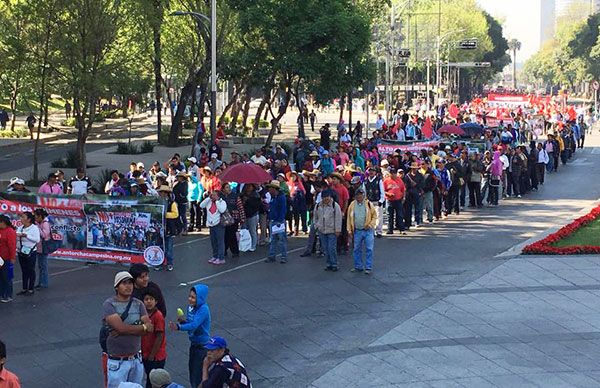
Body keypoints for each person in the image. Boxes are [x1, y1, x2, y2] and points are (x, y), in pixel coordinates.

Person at [103, 272, 153, 388]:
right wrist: (141, 326)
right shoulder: (109, 304)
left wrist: (123, 329)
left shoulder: (138, 304)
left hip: (136, 360)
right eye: (124, 283)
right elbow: (121, 327)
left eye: (130, 283)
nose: (128, 286)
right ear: (116, 287)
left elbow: (149, 328)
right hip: (117, 362)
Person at [168, 285, 211, 388]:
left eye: (193, 297)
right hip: (194, 343)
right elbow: (191, 323)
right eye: (189, 296)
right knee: (192, 370)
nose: (190, 299)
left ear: (200, 298)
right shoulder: (191, 308)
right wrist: (183, 322)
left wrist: (178, 327)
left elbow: (194, 325)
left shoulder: (203, 309)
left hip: (202, 346)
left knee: (198, 373)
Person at [347, 188, 377, 274]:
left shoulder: (368, 204)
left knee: (369, 249)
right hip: (358, 230)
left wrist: (371, 225)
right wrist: (349, 230)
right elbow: (349, 218)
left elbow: (374, 216)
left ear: (363, 195)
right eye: (358, 195)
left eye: (361, 195)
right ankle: (358, 266)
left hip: (368, 230)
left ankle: (368, 267)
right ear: (355, 196)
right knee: (356, 249)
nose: (359, 197)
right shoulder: (352, 205)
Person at [141, 288, 167, 388]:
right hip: (146, 354)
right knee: (149, 378)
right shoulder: (144, 315)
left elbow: (159, 336)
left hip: (156, 356)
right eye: (146, 299)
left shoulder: (158, 316)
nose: (149, 302)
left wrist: (152, 355)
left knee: (154, 381)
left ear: (156, 301)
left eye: (151, 299)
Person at [313, 190, 342, 272]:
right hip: (322, 230)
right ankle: (328, 264)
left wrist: (338, 230)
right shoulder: (318, 206)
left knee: (331, 248)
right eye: (324, 197)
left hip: (332, 231)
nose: (326, 199)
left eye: (327, 197)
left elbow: (338, 218)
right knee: (326, 248)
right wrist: (316, 226)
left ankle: (334, 264)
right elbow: (315, 217)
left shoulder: (335, 205)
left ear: (330, 197)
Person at [16, 212, 40, 296]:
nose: (21, 219)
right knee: (24, 270)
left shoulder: (34, 228)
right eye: (21, 217)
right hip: (20, 251)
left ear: (29, 219)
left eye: (23, 217)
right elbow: (17, 237)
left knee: (31, 270)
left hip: (31, 252)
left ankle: (31, 288)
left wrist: (26, 235)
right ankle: (24, 288)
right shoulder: (20, 228)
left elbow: (37, 240)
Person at [200, 191, 227, 265]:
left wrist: (217, 201)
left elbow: (222, 210)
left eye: (214, 195)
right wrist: (208, 198)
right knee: (213, 242)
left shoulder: (222, 202)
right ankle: (215, 256)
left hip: (219, 224)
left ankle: (221, 258)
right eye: (212, 195)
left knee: (220, 242)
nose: (213, 196)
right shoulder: (209, 201)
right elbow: (201, 205)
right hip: (211, 224)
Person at [265, 180, 287, 264]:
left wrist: (280, 220)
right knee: (272, 240)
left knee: (281, 240)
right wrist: (269, 218)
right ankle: (272, 256)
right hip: (273, 220)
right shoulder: (273, 197)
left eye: (270, 189)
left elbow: (283, 210)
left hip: (279, 221)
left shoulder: (281, 198)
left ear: (275, 189)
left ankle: (283, 256)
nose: (269, 191)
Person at [158, 186, 179, 271]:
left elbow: (175, 214)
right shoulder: (158, 202)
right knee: (160, 247)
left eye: (162, 192)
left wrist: (164, 214)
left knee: (168, 248)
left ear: (166, 193)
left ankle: (169, 263)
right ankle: (160, 262)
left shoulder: (172, 203)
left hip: (168, 227)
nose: (160, 194)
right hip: (160, 226)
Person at [222, 183, 245, 259]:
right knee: (225, 235)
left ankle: (235, 251)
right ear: (223, 189)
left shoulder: (235, 196)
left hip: (234, 219)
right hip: (224, 219)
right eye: (226, 187)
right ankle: (224, 250)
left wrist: (242, 218)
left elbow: (240, 207)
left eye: (229, 187)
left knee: (232, 235)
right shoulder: (221, 197)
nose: (228, 189)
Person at [383, 168, 406, 235]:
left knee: (400, 215)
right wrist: (388, 194)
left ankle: (401, 229)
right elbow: (383, 190)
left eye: (393, 173)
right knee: (390, 215)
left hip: (398, 200)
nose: (392, 174)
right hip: (389, 200)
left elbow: (403, 189)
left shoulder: (399, 180)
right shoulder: (386, 181)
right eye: (391, 173)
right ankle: (390, 229)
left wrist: (404, 197)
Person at [33, 209, 51, 290]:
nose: (35, 218)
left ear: (40, 216)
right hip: (39, 247)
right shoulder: (39, 223)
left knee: (44, 266)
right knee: (40, 266)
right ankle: (40, 283)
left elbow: (44, 235)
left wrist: (37, 227)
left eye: (36, 217)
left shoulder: (45, 223)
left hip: (44, 247)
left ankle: (44, 283)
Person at [0, 216, 17, 303]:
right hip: (0, 258)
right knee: (1, 277)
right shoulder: (1, 230)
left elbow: (12, 245)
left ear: (3, 222)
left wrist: (12, 258)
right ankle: (2, 294)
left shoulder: (10, 231)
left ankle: (8, 295)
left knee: (7, 277)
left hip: (7, 258)